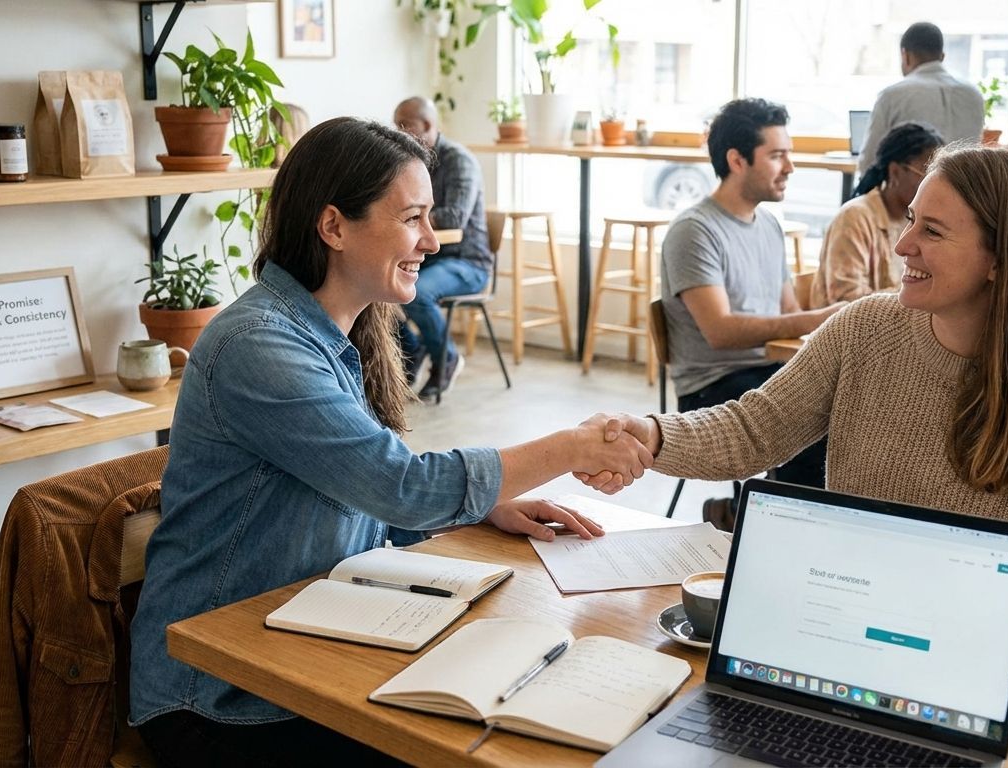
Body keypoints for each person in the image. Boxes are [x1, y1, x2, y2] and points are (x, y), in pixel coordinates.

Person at [130, 117, 651, 767]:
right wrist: (573, 447)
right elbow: (401, 488)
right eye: (413, 218)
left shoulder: (330, 332)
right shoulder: (259, 346)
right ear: (334, 227)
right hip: (218, 696)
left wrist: (486, 504)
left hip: (301, 649)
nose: (432, 242)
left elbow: (363, 488)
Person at [592, 146, 1008, 613]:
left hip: (955, 645)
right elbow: (757, 429)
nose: (902, 245)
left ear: (1001, 260)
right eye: (911, 220)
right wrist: (654, 435)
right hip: (838, 608)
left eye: (931, 231)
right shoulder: (865, 328)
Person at [659, 98, 844, 497]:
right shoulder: (694, 231)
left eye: (789, 155)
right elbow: (721, 332)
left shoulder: (769, 227)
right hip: (712, 388)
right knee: (819, 428)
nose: (790, 168)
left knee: (853, 406)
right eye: (777, 156)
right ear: (737, 160)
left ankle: (754, 513)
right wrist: (823, 318)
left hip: (763, 373)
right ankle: (787, 530)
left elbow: (788, 313)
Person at [392, 95, 494, 400]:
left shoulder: (459, 161)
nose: (397, 131)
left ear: (427, 125)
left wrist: (409, 216)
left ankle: (447, 357)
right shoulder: (410, 162)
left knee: (417, 293)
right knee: (379, 285)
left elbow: (454, 218)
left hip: (467, 263)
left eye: (404, 125)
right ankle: (413, 350)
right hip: (430, 259)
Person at [808, 121, 944, 309]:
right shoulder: (855, 217)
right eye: (926, 176)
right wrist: (915, 292)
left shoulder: (918, 220)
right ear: (895, 172)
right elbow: (845, 299)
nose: (933, 187)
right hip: (847, 332)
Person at [857, 22, 984, 173]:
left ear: (905, 56)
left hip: (914, 194)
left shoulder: (892, 95)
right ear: (942, 56)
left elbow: (869, 162)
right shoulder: (974, 94)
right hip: (965, 193)